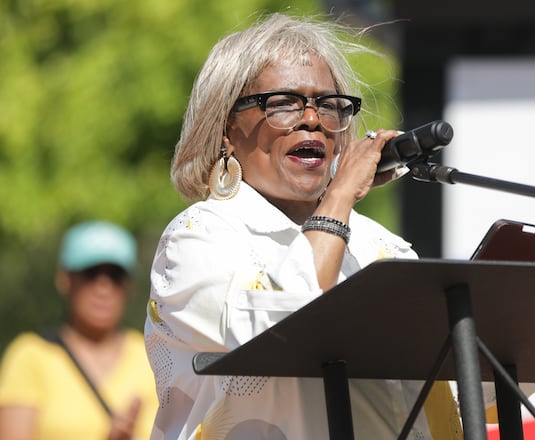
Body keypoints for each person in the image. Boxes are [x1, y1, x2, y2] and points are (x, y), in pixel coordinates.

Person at [144, 12, 462, 440]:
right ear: (225, 129)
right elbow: (291, 323)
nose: (312, 119)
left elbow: (464, 385)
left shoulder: (380, 247)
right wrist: (340, 195)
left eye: (328, 105)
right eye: (282, 103)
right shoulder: (197, 239)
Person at [0, 220, 158, 440]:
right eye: (91, 274)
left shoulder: (154, 355)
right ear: (65, 280)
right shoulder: (30, 356)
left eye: (115, 276)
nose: (103, 288)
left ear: (128, 286)